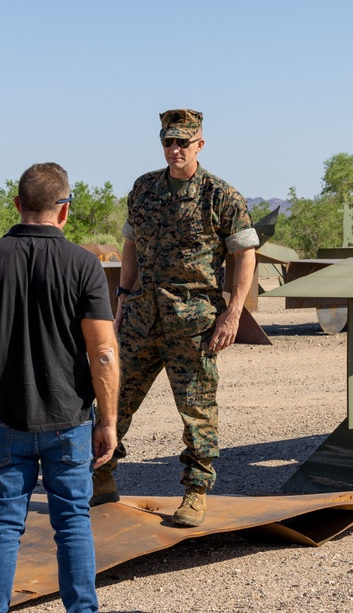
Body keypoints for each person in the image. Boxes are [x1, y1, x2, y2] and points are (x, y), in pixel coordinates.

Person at [0, 162, 119, 613]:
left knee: (4, 524)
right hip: (69, 422)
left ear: (17, 205)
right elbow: (103, 353)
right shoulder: (84, 266)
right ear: (64, 210)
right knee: (72, 523)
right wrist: (107, 421)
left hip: (4, 418)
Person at [91, 109, 258, 528]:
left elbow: (244, 255)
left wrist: (234, 312)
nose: (175, 149)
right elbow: (129, 244)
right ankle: (101, 476)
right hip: (142, 316)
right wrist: (123, 297)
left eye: (183, 142)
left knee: (197, 411)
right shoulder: (144, 189)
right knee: (113, 398)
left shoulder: (221, 196)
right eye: (169, 142)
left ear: (200, 144)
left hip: (193, 321)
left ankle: (195, 492)